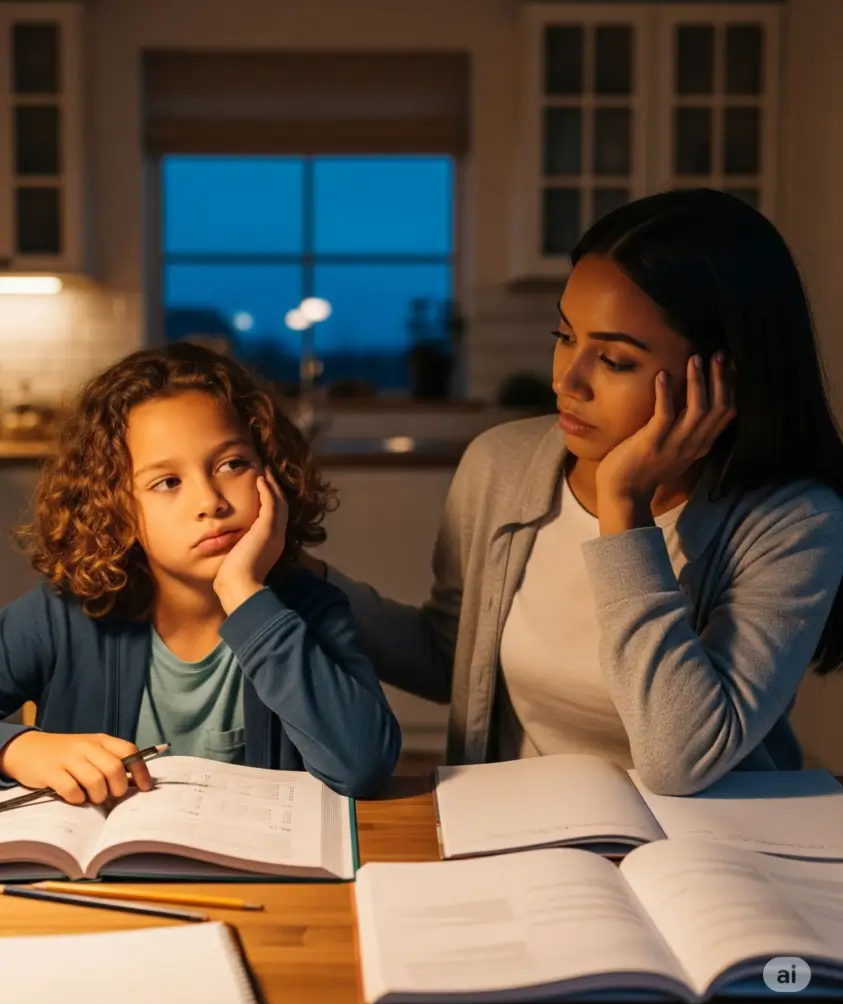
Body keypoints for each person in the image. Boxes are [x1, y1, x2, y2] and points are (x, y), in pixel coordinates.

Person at [301, 188, 843, 796]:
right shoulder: (501, 466)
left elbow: (681, 758)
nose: (567, 379)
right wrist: (302, 575)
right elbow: (455, 658)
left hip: (712, 855)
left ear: (723, 375)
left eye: (613, 360)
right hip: (525, 842)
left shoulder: (795, 523)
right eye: (565, 337)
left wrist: (624, 509)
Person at [0, 342, 401, 803]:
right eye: (167, 482)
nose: (210, 501)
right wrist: (18, 748)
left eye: (232, 464)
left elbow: (364, 767)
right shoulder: (62, 615)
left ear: (272, 474)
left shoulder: (311, 607)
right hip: (103, 875)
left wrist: (244, 594)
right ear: (114, 507)